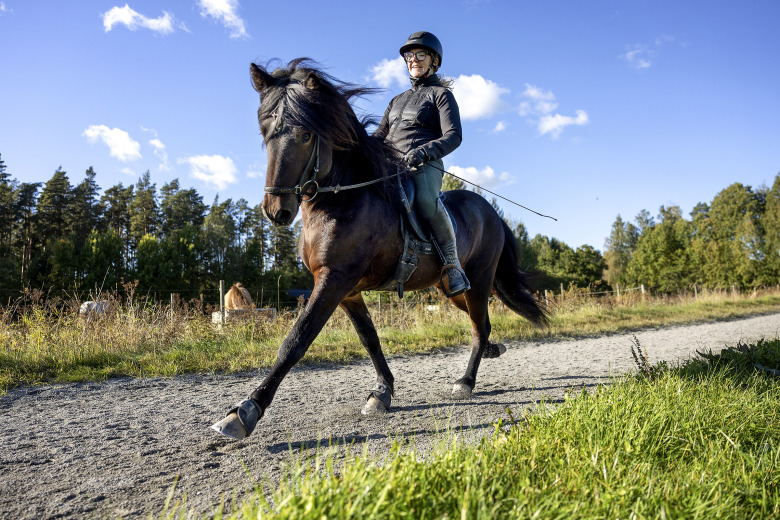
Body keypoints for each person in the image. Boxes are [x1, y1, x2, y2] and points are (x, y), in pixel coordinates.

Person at [375, 31, 470, 296]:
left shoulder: (441, 95)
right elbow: (378, 138)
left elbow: (454, 136)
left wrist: (424, 152)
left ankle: (452, 264)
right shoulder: (396, 101)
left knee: (426, 200)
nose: (413, 59)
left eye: (420, 54)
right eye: (409, 55)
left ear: (434, 61)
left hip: (423, 165)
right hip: (390, 166)